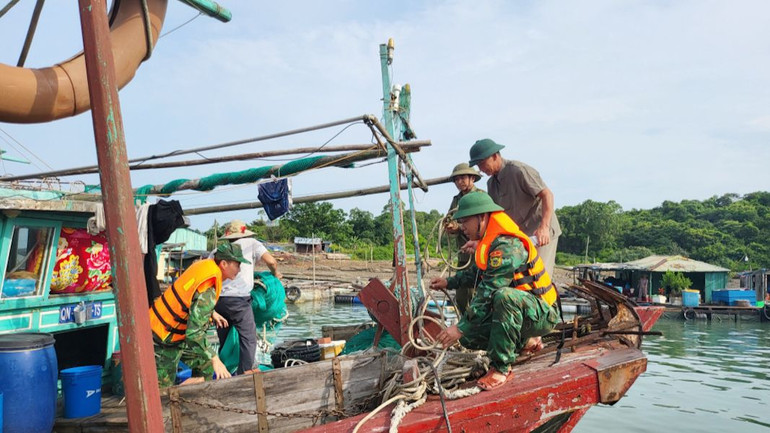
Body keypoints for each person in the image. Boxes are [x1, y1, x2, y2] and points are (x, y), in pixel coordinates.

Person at [429, 192, 559, 391]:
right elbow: (476, 274)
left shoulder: (507, 245)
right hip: (523, 312)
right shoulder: (490, 243)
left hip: (542, 313)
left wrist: (460, 327)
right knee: (469, 337)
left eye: (465, 221)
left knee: (503, 296)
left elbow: (489, 289)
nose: (462, 227)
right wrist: (448, 282)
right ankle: (526, 341)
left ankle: (501, 368)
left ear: (482, 217)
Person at [149, 242, 249, 387]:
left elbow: (190, 298)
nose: (239, 270)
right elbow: (194, 334)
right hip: (163, 338)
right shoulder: (208, 289)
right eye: (237, 265)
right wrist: (216, 359)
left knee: (205, 365)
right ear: (224, 264)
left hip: (171, 332)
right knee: (162, 390)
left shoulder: (204, 266)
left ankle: (193, 393)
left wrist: (212, 312)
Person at [468, 138, 561, 275]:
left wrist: (544, 227)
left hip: (540, 232)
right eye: (478, 165)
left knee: (539, 276)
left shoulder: (519, 170)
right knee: (520, 277)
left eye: (482, 163)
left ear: (495, 156)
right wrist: (480, 241)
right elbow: (495, 218)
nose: (480, 169)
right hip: (521, 236)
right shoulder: (491, 184)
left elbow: (547, 195)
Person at [215, 220, 283, 374]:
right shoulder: (252, 243)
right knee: (248, 338)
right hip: (239, 300)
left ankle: (225, 372)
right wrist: (275, 274)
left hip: (218, 301)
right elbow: (271, 262)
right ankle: (244, 374)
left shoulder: (218, 250)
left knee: (225, 339)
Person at [445, 163, 483, 314]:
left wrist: (460, 227)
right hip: (463, 253)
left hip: (479, 252)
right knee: (461, 296)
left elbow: (484, 223)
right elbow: (449, 219)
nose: (459, 182)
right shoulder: (456, 200)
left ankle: (476, 323)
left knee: (476, 294)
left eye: (463, 178)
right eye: (456, 179)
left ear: (472, 178)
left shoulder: (481, 197)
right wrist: (450, 227)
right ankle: (465, 322)